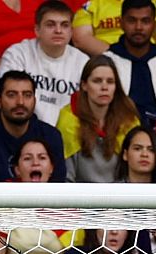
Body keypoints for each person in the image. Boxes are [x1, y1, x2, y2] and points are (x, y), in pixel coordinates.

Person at [0, 70, 67, 182]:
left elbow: (58, 189)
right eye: (11, 95)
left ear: (34, 101)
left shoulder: (51, 136)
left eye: (27, 95)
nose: (20, 102)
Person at [0, 0, 89, 126]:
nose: (58, 30)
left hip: (68, 135)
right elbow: (4, 101)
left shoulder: (83, 62)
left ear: (71, 31)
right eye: (50, 25)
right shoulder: (17, 54)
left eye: (65, 25)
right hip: (23, 129)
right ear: (37, 30)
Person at [58, 55, 142, 184]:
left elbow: (135, 175)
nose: (104, 87)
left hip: (120, 198)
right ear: (84, 85)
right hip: (78, 199)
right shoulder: (68, 120)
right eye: (97, 81)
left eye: (110, 81)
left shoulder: (129, 120)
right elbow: (66, 178)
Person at [104, 0, 156, 123]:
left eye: (145, 21)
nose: (138, 27)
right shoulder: (105, 62)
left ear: (154, 25)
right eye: (132, 20)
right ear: (121, 23)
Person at [73, 0, 156, 57]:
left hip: (149, 59)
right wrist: (118, 57)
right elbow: (81, 38)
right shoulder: (92, 4)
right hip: (105, 62)